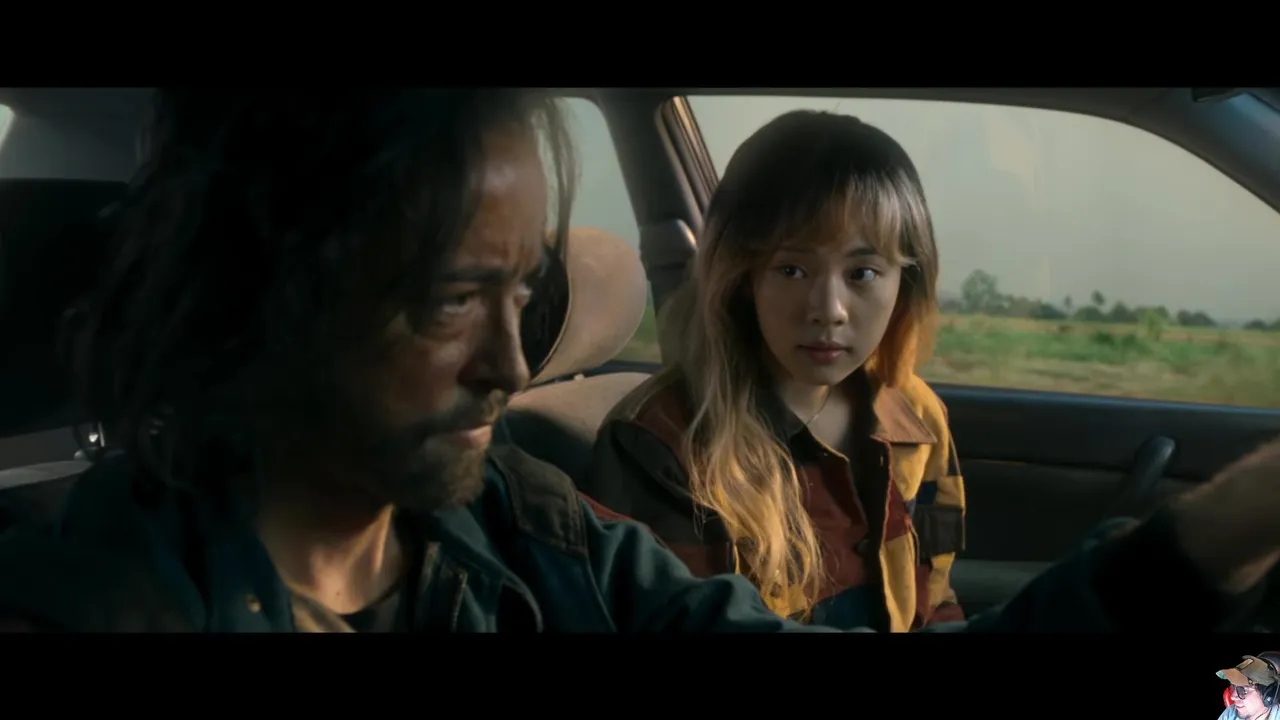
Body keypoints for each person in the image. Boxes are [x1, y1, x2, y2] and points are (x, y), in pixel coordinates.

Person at [0, 88, 1277, 632]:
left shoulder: (528, 531)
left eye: (528, 293)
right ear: (258, 294)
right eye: (451, 300)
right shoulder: (97, 606)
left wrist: (1229, 520)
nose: (512, 363)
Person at [581, 111, 962, 630]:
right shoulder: (661, 443)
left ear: (905, 284)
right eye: (792, 269)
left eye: (863, 273)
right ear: (743, 277)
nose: (828, 309)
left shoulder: (917, 418)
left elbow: (936, 591)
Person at [1218, 654, 1280, 720]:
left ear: (1269, 696)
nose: (1232, 697)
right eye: (1233, 686)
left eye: (1243, 689)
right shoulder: (1230, 714)